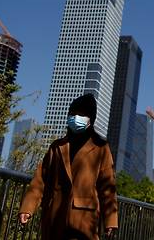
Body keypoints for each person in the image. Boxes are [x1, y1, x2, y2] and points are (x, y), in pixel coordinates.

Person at [18, 94, 118, 239]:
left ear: (91, 119)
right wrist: (27, 208)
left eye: (82, 114)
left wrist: (110, 221)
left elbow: (107, 187)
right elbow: (40, 179)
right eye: (73, 114)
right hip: (54, 215)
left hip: (83, 219)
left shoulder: (101, 148)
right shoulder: (57, 146)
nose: (76, 117)